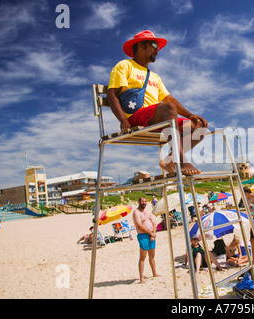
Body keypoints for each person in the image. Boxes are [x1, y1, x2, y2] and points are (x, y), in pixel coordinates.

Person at [107, 30, 208, 176]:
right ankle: (182, 160)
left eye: (158, 47)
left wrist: (190, 115)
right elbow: (112, 94)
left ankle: (170, 160)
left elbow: (169, 98)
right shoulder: (124, 66)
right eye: (154, 45)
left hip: (159, 118)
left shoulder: (154, 76)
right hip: (136, 117)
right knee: (168, 108)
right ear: (140, 46)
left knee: (200, 127)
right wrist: (122, 120)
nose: (157, 50)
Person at [132, 196, 159, 283]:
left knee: (152, 256)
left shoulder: (147, 212)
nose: (144, 203)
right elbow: (140, 226)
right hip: (143, 235)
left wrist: (153, 234)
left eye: (145, 201)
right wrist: (151, 233)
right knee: (142, 257)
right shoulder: (136, 213)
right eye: (142, 201)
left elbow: (154, 223)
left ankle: (154, 273)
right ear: (139, 202)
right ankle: (141, 278)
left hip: (151, 235)